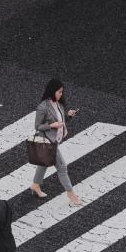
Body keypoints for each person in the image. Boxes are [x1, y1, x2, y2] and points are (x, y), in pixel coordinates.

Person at [30, 78, 83, 206]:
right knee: (62, 167)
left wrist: (68, 116)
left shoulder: (58, 104)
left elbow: (61, 120)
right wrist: (51, 125)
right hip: (49, 141)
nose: (61, 94)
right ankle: (72, 195)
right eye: (59, 92)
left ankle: (35, 185)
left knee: (44, 163)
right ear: (52, 91)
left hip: (55, 139)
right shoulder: (43, 107)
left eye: (62, 92)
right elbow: (37, 126)